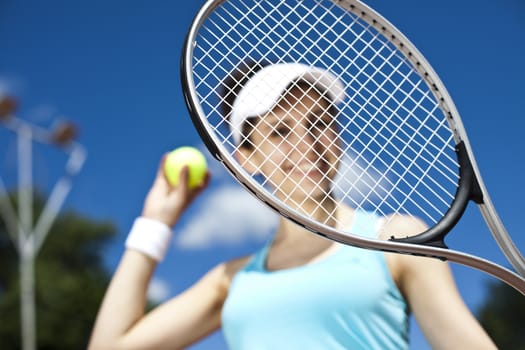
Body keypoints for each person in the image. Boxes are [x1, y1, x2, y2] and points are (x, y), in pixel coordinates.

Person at [88, 62, 496, 349]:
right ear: (247, 159)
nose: (306, 144)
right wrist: (155, 221)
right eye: (280, 130)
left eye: (319, 122)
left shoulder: (396, 236)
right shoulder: (230, 281)